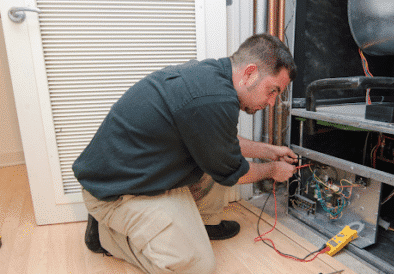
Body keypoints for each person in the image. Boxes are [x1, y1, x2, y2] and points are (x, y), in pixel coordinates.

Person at [72, 33, 298, 274]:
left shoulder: (213, 76)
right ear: (250, 73)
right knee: (196, 266)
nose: (273, 102)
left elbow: (220, 139)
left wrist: (270, 151)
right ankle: (105, 235)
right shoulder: (214, 100)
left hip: (140, 172)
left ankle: (203, 224)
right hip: (115, 192)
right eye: (272, 90)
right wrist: (273, 170)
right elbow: (235, 172)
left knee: (217, 158)